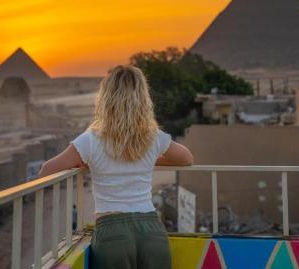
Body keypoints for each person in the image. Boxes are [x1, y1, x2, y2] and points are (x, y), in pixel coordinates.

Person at [38, 65, 194, 269]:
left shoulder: (91, 140)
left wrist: (83, 162)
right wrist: (149, 160)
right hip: (152, 231)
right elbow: (186, 159)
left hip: (112, 233)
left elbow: (45, 171)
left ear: (105, 98)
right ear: (143, 99)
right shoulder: (152, 137)